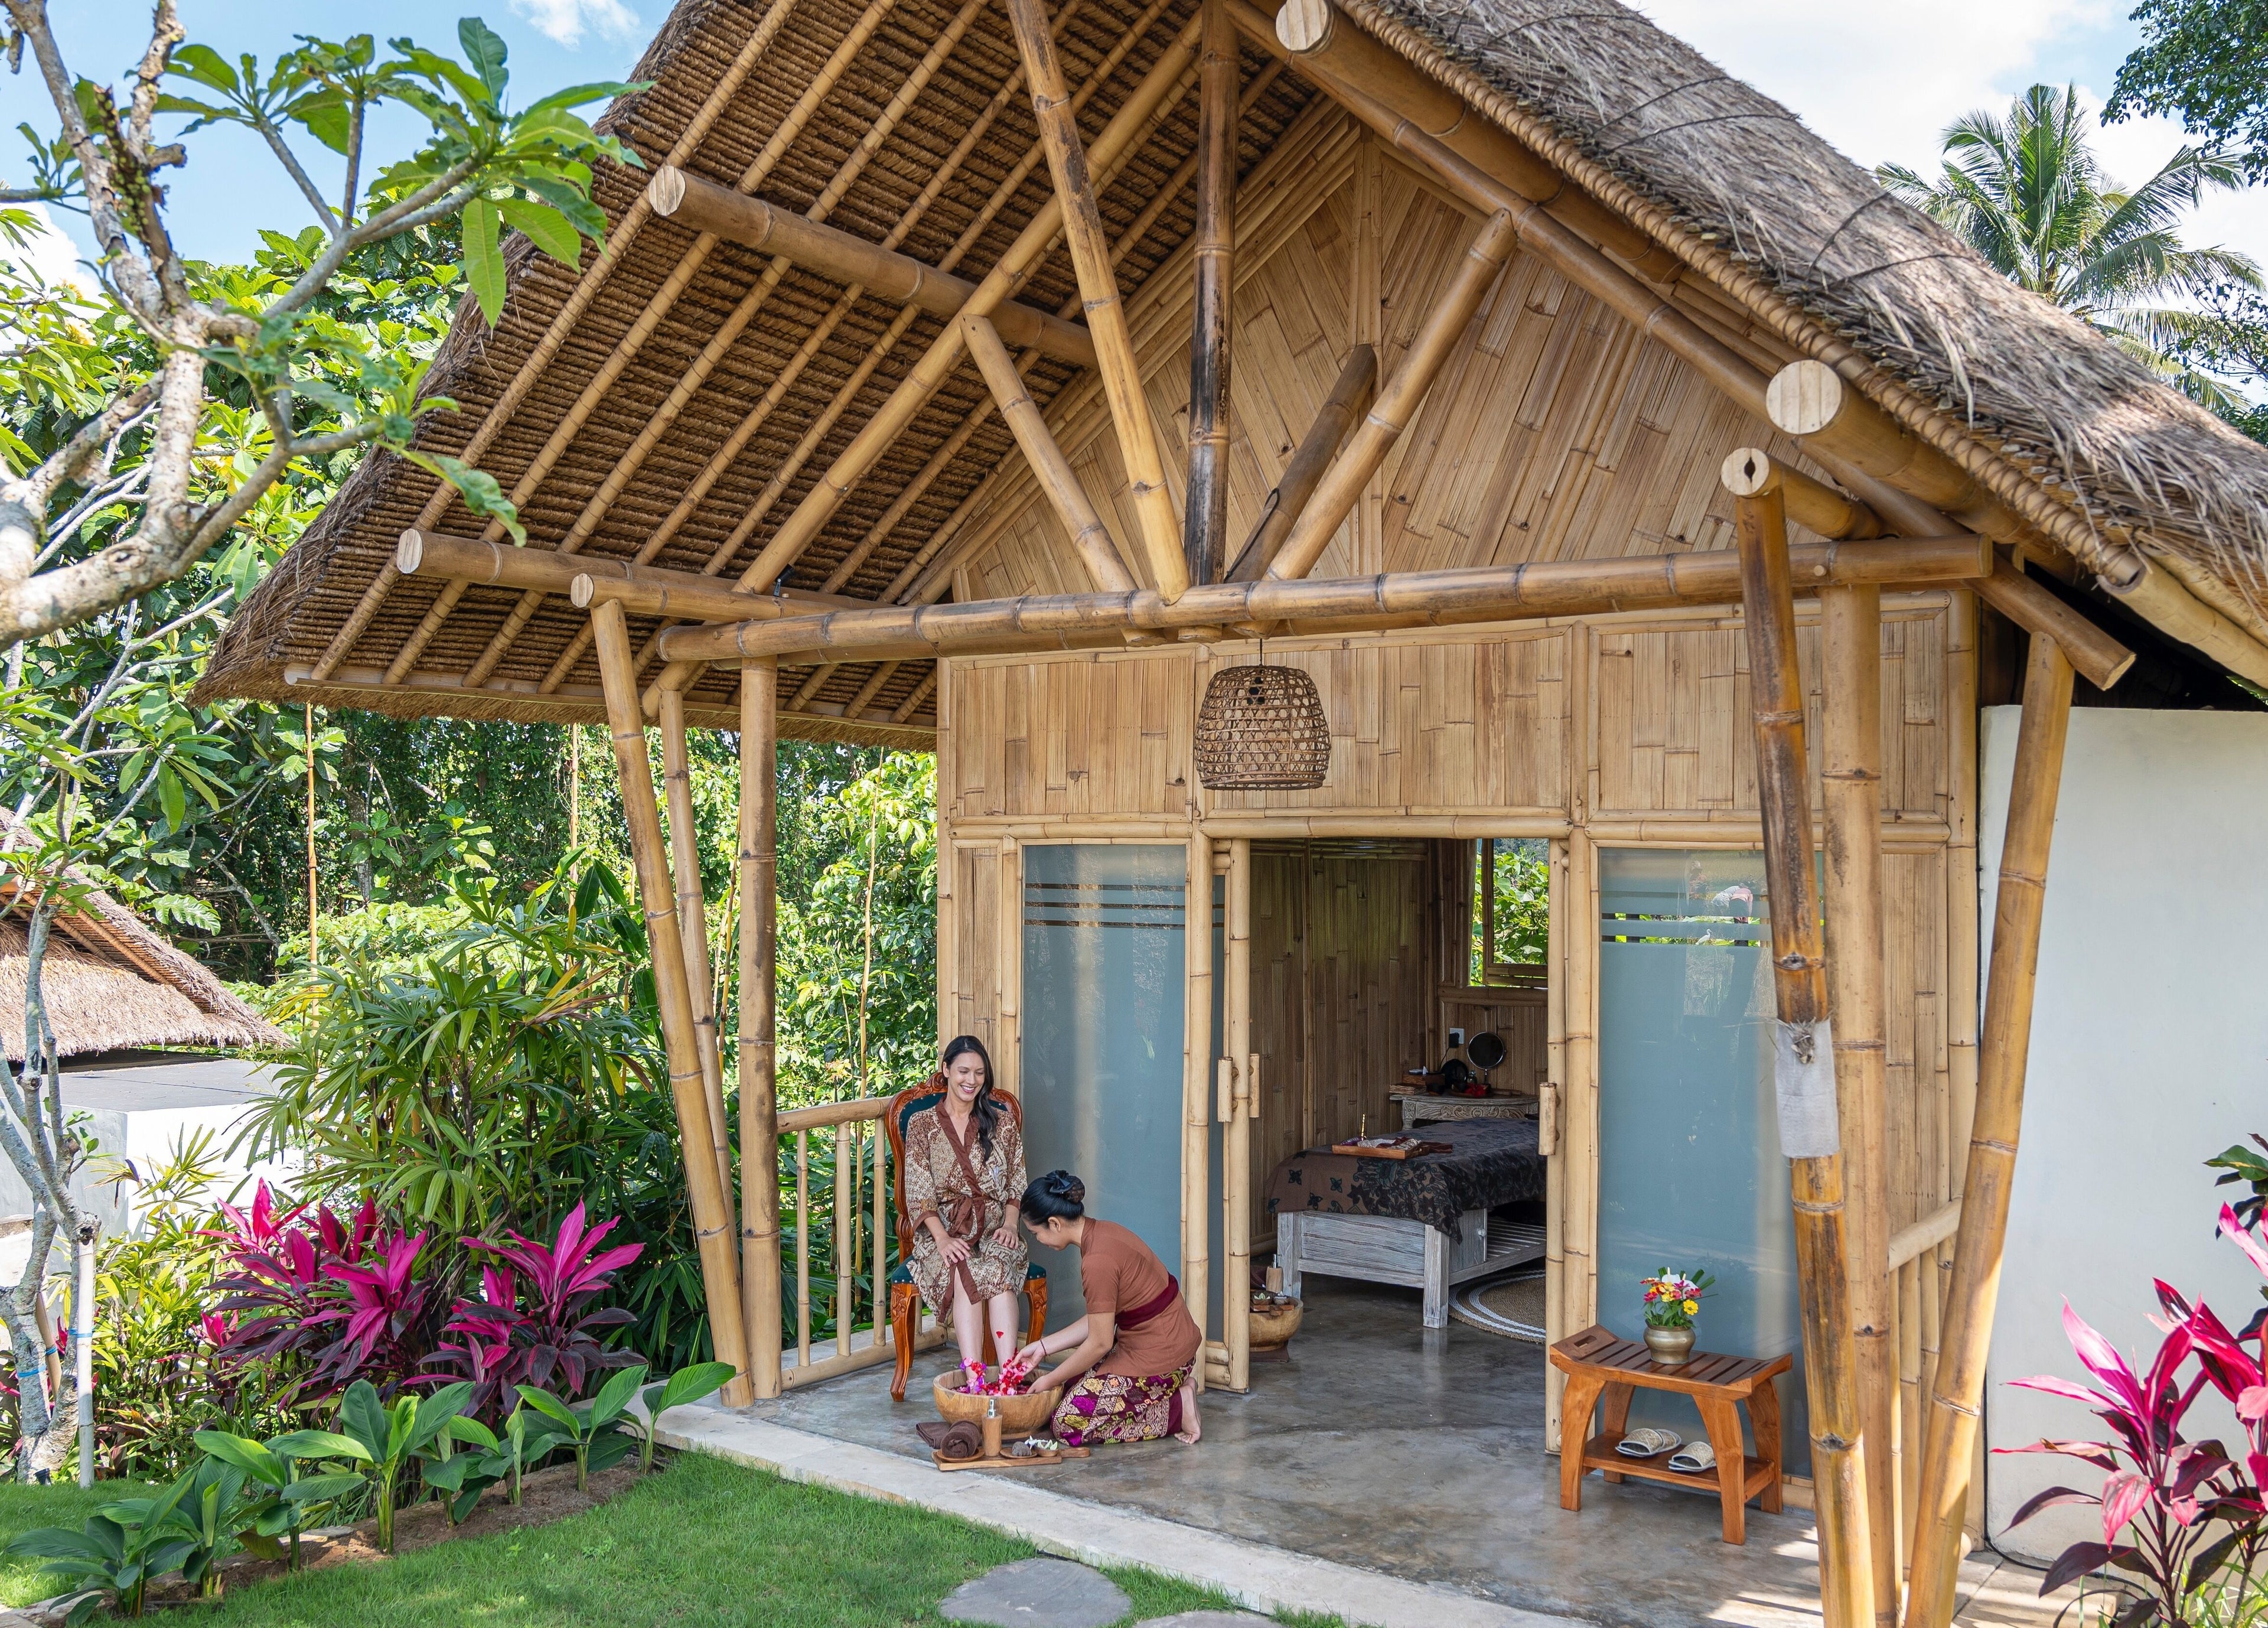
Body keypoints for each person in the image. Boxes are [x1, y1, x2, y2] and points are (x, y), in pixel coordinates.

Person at [1013, 1170, 1201, 1447]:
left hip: (1164, 1358)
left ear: (1054, 1224)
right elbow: (1099, 1320)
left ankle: (1178, 1408)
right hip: (1158, 1344)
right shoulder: (1101, 1232)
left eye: (1035, 1233)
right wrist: (1043, 1347)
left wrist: (1050, 1378)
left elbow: (1100, 1342)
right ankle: (1174, 1392)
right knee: (1068, 1388)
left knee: (1065, 1422)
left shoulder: (1096, 1260)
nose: (1038, 1241)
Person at [902, 1036, 1029, 1393]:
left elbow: (1017, 1180)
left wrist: (1009, 1224)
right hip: (942, 1227)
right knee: (963, 1268)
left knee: (1001, 1265)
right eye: (962, 1071)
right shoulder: (922, 1124)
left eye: (978, 1072)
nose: (970, 1080)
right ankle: (975, 1377)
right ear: (946, 1071)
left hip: (993, 1225)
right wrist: (941, 1239)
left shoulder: (1002, 1123)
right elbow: (918, 1188)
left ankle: (1007, 1376)